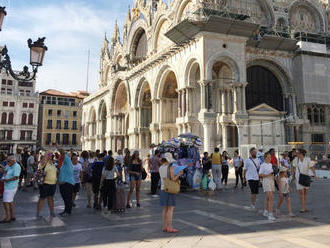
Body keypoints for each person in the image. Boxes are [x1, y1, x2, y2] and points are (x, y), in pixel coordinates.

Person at [159, 153, 182, 233]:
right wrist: (178, 174)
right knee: (170, 209)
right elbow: (173, 179)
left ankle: (164, 226)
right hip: (169, 190)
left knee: (164, 209)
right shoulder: (170, 167)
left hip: (162, 189)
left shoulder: (161, 167)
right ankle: (170, 227)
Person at [292, 149, 317, 213]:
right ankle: (302, 208)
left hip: (306, 177)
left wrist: (315, 174)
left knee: (305, 193)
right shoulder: (296, 160)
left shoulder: (307, 159)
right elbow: (293, 167)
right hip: (298, 177)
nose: (297, 154)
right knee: (301, 193)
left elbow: (312, 167)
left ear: (302, 154)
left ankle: (304, 207)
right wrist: (292, 175)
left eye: (298, 153)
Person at [0, 155, 21, 223]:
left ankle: (8, 217)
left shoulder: (16, 166)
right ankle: (12, 216)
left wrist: (6, 180)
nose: (7, 162)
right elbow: (4, 170)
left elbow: (16, 177)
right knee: (10, 201)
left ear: (13, 160)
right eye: (7, 161)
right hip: (8, 186)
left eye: (8, 161)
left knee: (5, 202)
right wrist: (1, 167)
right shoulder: (10, 165)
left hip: (11, 187)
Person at [36, 151, 57, 218]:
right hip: (45, 184)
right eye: (49, 155)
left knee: (51, 198)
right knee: (42, 198)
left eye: (51, 155)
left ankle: (52, 212)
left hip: (53, 183)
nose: (51, 156)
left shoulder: (52, 164)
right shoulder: (43, 163)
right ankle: (38, 213)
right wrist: (48, 152)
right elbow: (45, 157)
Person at [259, 152, 276, 221]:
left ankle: (266, 211)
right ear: (265, 158)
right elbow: (260, 174)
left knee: (268, 198)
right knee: (271, 197)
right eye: (268, 157)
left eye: (270, 157)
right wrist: (268, 175)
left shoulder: (270, 164)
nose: (270, 158)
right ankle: (270, 214)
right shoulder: (263, 165)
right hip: (266, 181)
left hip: (271, 181)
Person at [58, 150, 74, 217]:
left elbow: (62, 152)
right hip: (63, 184)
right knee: (66, 198)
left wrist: (57, 146)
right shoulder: (64, 163)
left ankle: (68, 211)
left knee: (67, 198)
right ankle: (66, 210)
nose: (61, 157)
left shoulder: (67, 160)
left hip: (67, 184)